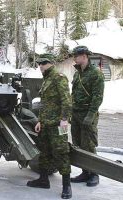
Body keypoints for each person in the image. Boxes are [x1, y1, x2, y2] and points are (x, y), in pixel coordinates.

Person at [27, 54, 72, 199]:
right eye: (39, 64)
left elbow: (66, 101)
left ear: (51, 63)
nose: (40, 66)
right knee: (44, 152)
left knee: (61, 152)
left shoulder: (59, 77)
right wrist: (39, 120)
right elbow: (44, 104)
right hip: (45, 123)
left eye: (43, 63)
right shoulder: (46, 79)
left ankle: (67, 186)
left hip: (59, 124)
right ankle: (43, 180)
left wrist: (64, 120)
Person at [70, 46, 104, 187]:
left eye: (76, 56)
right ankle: (85, 172)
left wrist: (90, 115)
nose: (74, 58)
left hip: (87, 114)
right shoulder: (77, 74)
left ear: (84, 56)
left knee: (89, 144)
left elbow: (97, 97)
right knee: (78, 144)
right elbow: (73, 94)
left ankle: (94, 174)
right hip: (76, 113)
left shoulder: (96, 73)